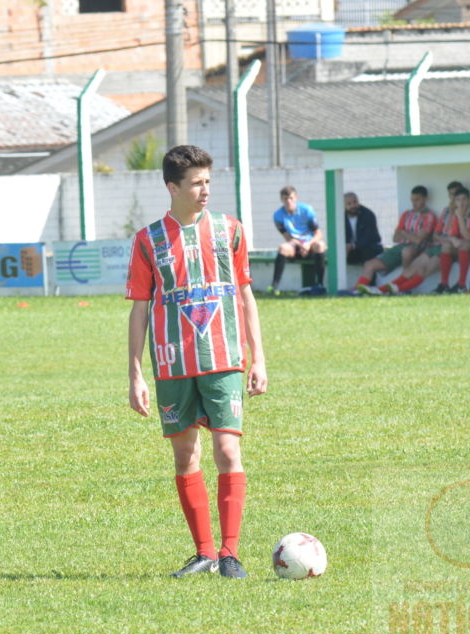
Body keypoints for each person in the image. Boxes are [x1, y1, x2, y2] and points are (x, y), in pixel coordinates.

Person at [126, 145, 268, 580]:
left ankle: (230, 553)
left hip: (224, 356)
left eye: (208, 181)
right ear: (173, 187)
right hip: (172, 363)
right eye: (196, 183)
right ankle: (204, 551)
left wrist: (258, 357)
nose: (205, 190)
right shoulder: (148, 240)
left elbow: (245, 294)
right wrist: (135, 374)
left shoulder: (230, 231)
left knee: (228, 449)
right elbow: (139, 308)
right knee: (185, 455)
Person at [355, 185, 437, 295]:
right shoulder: (406, 214)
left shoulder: (429, 215)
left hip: (417, 249)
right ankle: (358, 291)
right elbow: (395, 238)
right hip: (400, 247)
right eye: (412, 200)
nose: (414, 203)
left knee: (407, 251)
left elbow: (418, 241)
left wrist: (404, 233)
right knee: (369, 264)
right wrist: (408, 235)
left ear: (425, 199)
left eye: (417, 200)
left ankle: (403, 288)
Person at [269, 186, 325, 293]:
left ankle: (320, 284)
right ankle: (274, 286)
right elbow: (288, 237)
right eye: (286, 199)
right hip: (294, 245)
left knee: (320, 245)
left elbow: (318, 233)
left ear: (296, 198)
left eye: (291, 198)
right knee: (282, 248)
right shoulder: (278, 215)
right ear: (282, 200)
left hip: (310, 244)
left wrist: (308, 244)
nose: (289, 201)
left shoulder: (307, 210)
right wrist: (300, 245)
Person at [436, 186, 470, 293]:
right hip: (461, 246)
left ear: (469, 199)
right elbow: (451, 234)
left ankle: (461, 284)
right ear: (455, 202)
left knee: (464, 243)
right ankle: (444, 283)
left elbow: (469, 237)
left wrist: (460, 217)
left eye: (464, 199)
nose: (461, 203)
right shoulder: (456, 213)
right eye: (458, 200)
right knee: (446, 245)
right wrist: (453, 240)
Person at [343, 192, 383, 266]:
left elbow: (369, 237)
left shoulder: (368, 214)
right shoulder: (341, 217)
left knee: (367, 252)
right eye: (349, 204)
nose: (353, 206)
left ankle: (370, 276)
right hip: (352, 250)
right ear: (344, 206)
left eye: (355, 202)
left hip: (370, 247)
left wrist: (352, 245)